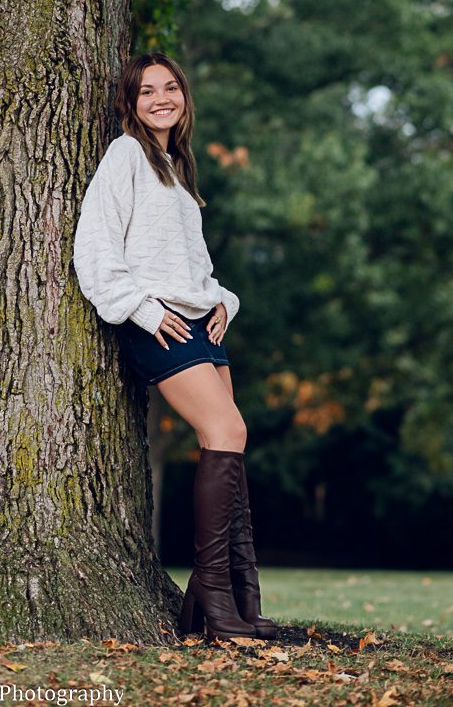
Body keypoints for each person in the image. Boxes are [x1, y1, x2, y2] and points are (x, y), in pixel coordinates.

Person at [73, 51, 278, 643]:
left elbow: (197, 265)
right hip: (157, 325)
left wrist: (223, 301)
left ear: (183, 96)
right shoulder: (126, 156)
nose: (161, 98)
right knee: (227, 433)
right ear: (129, 105)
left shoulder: (175, 165)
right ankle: (216, 605)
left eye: (170, 88)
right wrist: (141, 308)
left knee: (231, 441)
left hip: (200, 323)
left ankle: (240, 599)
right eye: (146, 92)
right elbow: (95, 249)